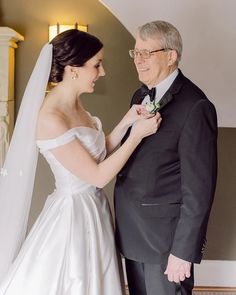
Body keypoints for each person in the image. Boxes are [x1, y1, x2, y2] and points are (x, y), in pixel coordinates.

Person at [0, 29, 161, 295]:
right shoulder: (52, 117)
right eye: (97, 64)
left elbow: (97, 152)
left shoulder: (77, 105)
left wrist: (128, 120)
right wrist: (137, 136)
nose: (103, 72)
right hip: (73, 214)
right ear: (74, 68)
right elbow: (97, 176)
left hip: (94, 206)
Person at [114, 20, 218, 295]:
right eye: (136, 52)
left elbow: (199, 190)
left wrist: (183, 251)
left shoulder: (196, 106)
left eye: (147, 52)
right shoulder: (140, 96)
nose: (138, 60)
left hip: (164, 243)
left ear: (171, 56)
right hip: (133, 233)